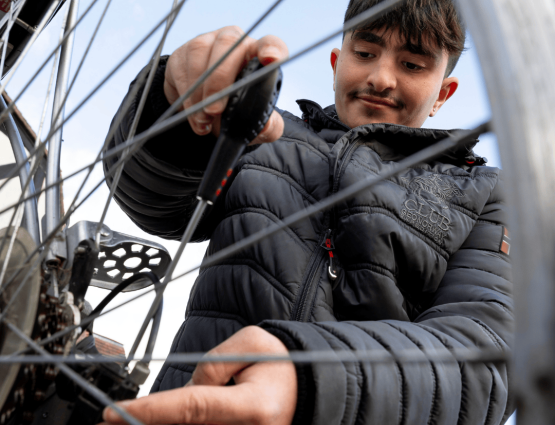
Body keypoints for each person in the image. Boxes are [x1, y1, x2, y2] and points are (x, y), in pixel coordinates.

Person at [101, 0, 514, 423]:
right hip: (186, 409)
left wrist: (313, 381)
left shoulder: (486, 194)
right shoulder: (266, 136)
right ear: (337, 62)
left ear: (443, 93)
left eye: (412, 64)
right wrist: (172, 104)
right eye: (365, 53)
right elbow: (156, 203)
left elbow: (487, 358)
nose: (380, 77)